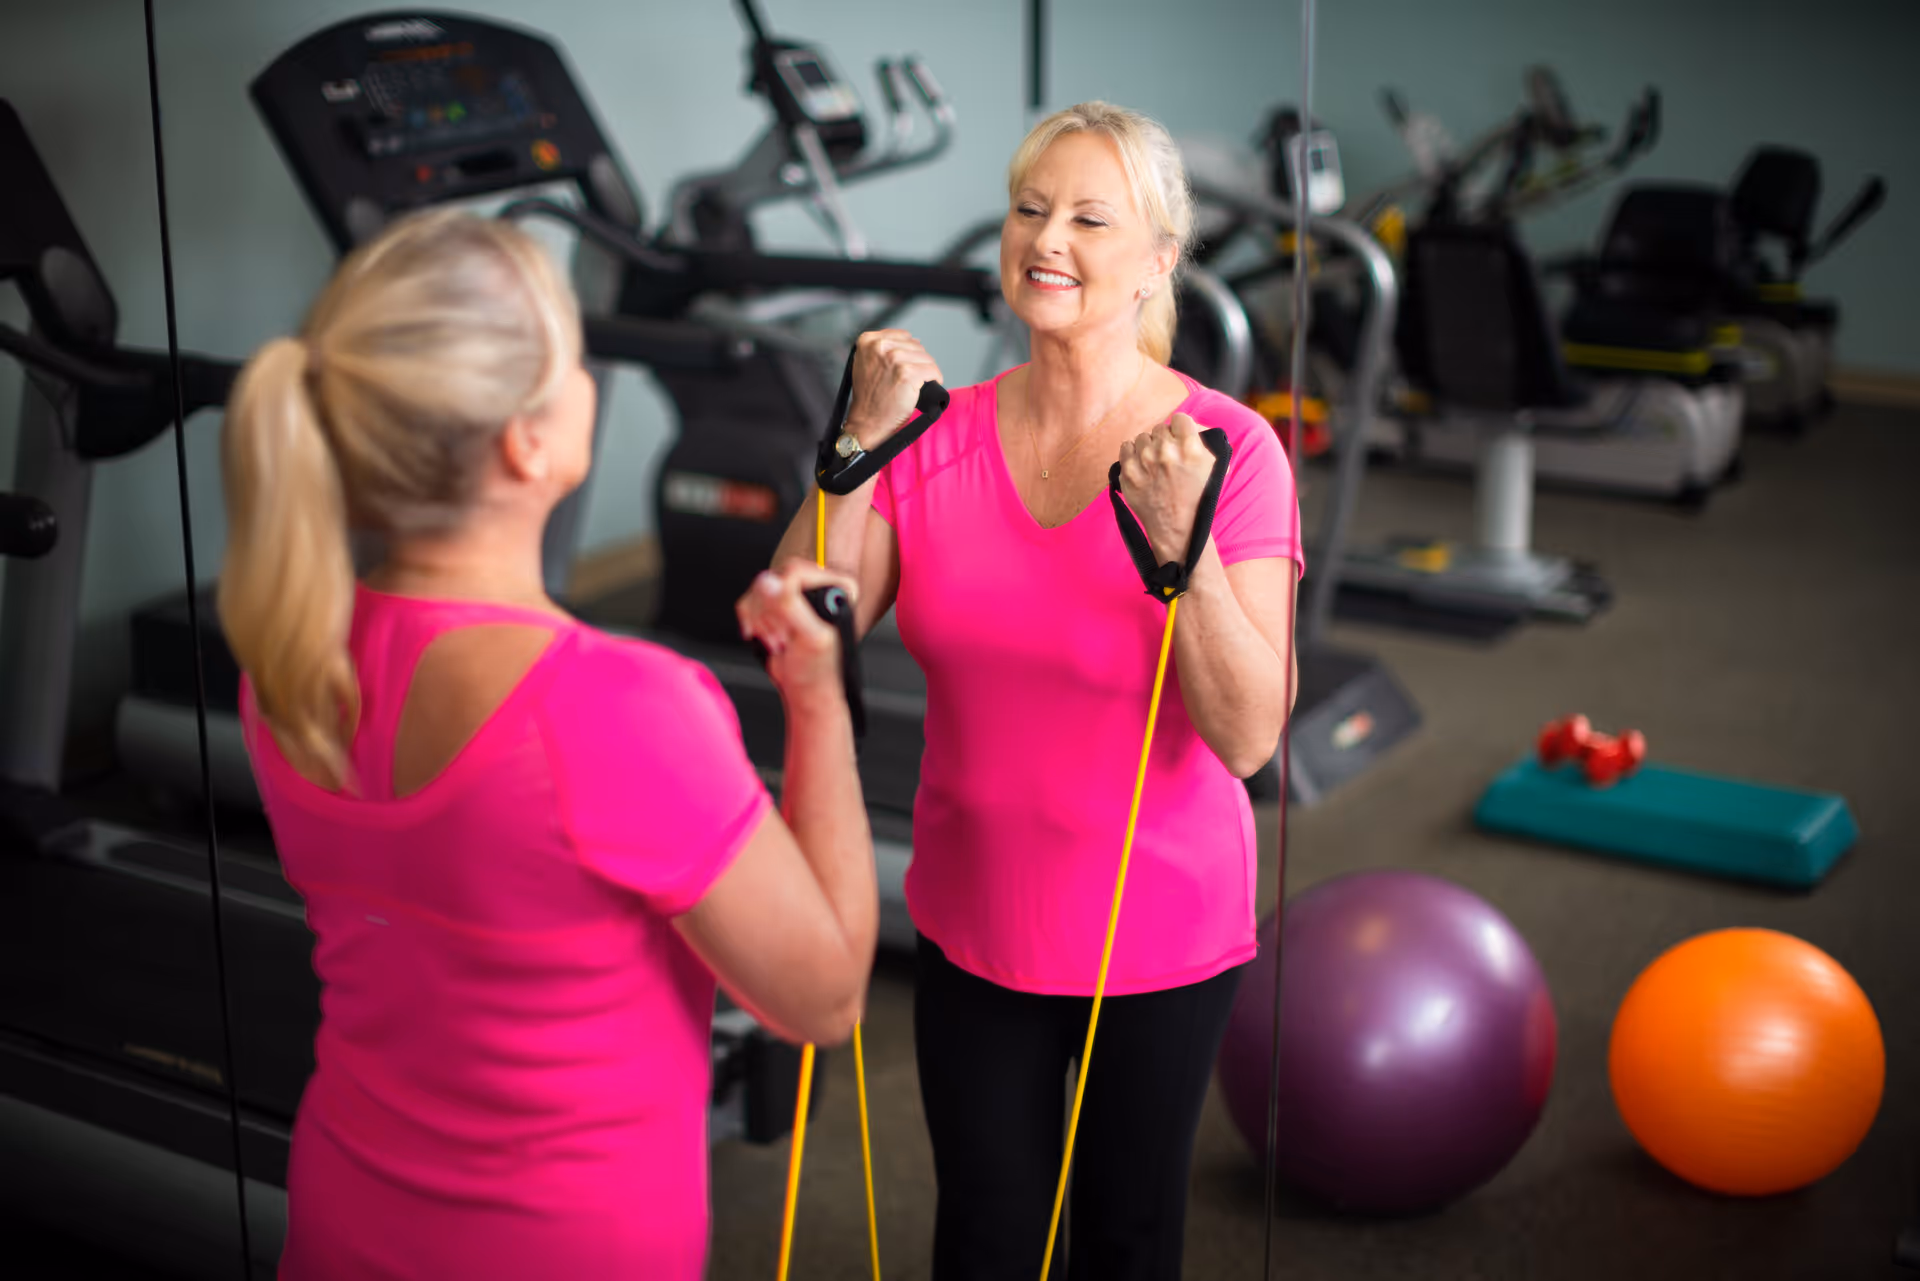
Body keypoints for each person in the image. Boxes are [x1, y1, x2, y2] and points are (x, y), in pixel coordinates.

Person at [218, 209, 877, 1280]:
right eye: (573, 357)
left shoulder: (289, 657)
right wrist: (818, 701)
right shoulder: (617, 705)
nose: (587, 378)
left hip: (345, 1218)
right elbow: (822, 1001)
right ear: (527, 442)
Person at [776, 101, 1302, 1280]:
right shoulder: (936, 435)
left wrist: (1188, 554)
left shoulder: (1229, 452)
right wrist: (854, 453)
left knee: (1122, 1243)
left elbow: (1251, 735)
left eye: (1088, 217)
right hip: (973, 922)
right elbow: (800, 625)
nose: (1047, 238)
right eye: (1029, 209)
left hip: (1160, 939)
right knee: (984, 1241)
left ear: (1159, 260)